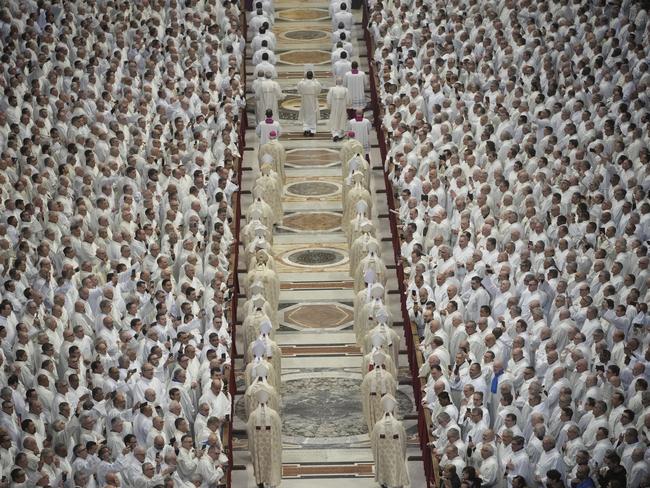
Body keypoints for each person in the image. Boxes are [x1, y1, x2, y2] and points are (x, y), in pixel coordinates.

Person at [371, 394, 410, 488]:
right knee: (396, 468)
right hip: (396, 455)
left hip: (383, 455)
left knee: (385, 471)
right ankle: (397, 482)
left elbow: (373, 443)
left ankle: (384, 482)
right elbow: (404, 441)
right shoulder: (398, 425)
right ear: (393, 409)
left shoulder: (378, 425)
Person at [247, 390, 282, 488]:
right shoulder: (273, 414)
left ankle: (260, 483)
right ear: (267, 401)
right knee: (271, 462)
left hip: (258, 448)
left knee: (260, 463)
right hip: (271, 447)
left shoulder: (253, 415)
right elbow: (279, 429)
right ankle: (271, 482)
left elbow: (249, 431)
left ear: (258, 401)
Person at [297, 69, 322, 136]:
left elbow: (299, 89)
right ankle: (312, 130)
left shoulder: (302, 83)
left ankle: (306, 129)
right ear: (312, 76)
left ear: (306, 76)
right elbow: (319, 90)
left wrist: (303, 79)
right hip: (313, 100)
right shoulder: (315, 83)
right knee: (312, 114)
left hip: (305, 100)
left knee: (305, 114)